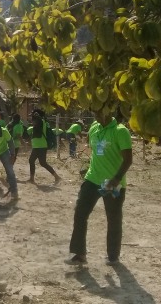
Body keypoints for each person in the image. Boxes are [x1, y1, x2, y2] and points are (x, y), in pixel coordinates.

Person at [66, 114, 132, 265]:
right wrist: (89, 167)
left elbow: (128, 159)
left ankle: (113, 257)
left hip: (113, 182)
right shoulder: (94, 128)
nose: (96, 111)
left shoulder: (120, 131)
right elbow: (96, 152)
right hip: (92, 179)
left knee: (113, 219)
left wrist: (116, 179)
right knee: (80, 213)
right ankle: (79, 254)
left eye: (100, 108)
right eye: (94, 108)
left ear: (108, 108)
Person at [27, 109, 62, 184]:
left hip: (40, 145)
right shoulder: (38, 123)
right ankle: (56, 177)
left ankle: (32, 179)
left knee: (33, 161)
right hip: (38, 145)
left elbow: (39, 120)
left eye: (33, 118)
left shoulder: (41, 121)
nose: (31, 120)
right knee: (42, 163)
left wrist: (37, 116)